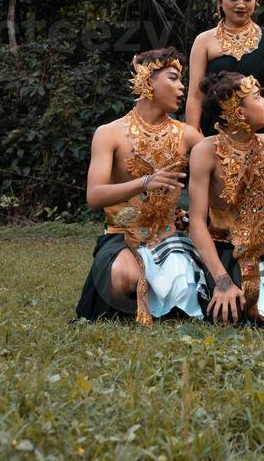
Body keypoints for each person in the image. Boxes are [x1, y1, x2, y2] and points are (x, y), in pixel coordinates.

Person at [76, 49, 205, 326]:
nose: (182, 87)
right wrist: (145, 182)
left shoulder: (189, 136)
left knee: (185, 281)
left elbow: (216, 179)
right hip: (122, 234)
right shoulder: (109, 133)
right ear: (149, 83)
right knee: (124, 278)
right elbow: (94, 196)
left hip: (169, 235)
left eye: (182, 80)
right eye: (174, 78)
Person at [188, 72, 264, 327]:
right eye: (258, 97)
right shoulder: (205, 151)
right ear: (240, 113)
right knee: (224, 314)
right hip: (220, 249)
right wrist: (222, 281)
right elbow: (197, 222)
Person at [186, 0, 264, 136]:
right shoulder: (204, 41)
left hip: (260, 129)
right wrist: (193, 135)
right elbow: (195, 96)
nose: (241, 4)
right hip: (215, 129)